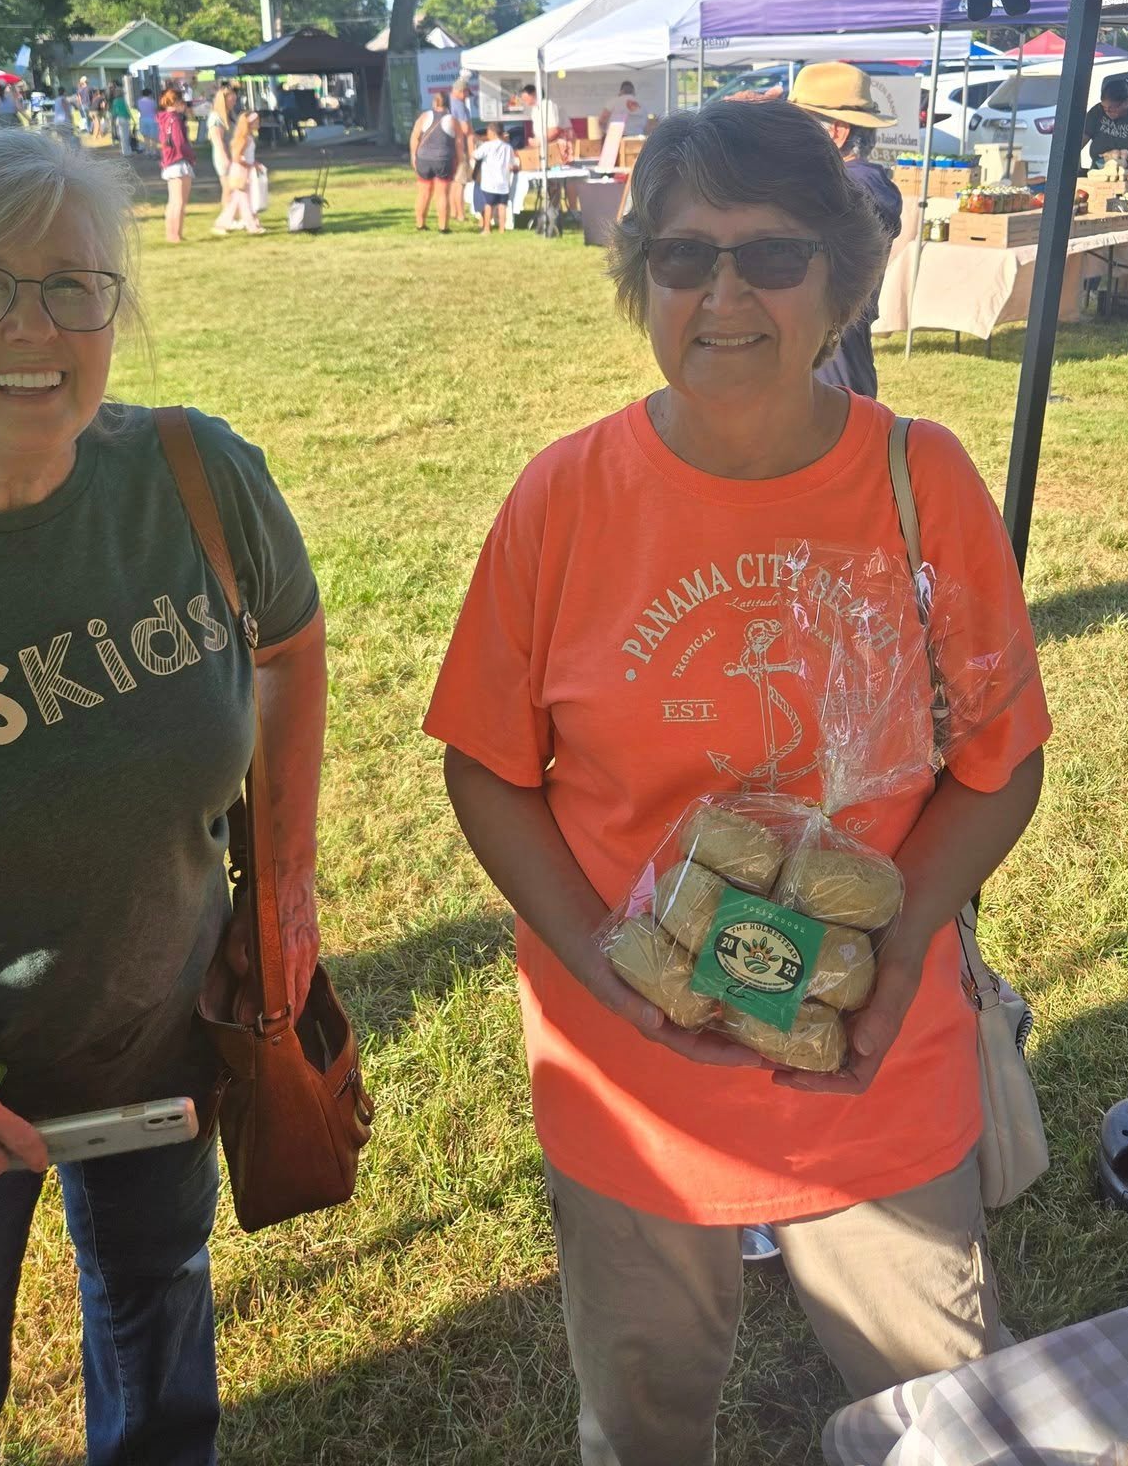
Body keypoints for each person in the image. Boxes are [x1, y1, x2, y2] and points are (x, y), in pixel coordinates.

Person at [427, 98, 1051, 1466]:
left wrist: (896, 959)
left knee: (945, 1416)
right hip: (634, 1076)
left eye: (770, 257)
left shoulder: (920, 480)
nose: (723, 295)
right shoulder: (564, 496)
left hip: (873, 1058)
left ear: (839, 277)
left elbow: (1004, 764)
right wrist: (612, 971)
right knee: (644, 1417)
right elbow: (486, 767)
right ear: (638, 276)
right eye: (681, 257)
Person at [0, 132, 327, 1465]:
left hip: (157, 1028)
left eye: (75, 286)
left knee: (158, 1334)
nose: (35, 327)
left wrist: (277, 892)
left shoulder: (194, 476)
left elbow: (286, 642)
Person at [790, 62, 904, 401]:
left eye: (798, 127)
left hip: (834, 358)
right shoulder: (854, 182)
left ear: (836, 133)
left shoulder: (856, 185)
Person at [410, 91, 466, 234]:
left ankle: (420, 224)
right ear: (448, 103)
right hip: (443, 159)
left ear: (434, 103)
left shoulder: (424, 117)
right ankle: (443, 227)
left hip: (423, 159)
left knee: (423, 193)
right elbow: (459, 144)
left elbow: (415, 137)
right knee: (442, 194)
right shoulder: (452, 120)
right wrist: (460, 162)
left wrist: (413, 156)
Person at [214, 107, 265, 235]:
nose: (258, 124)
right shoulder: (244, 139)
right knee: (245, 200)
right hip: (241, 171)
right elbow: (237, 157)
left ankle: (222, 223)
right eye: (256, 122)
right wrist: (249, 165)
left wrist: (254, 163)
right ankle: (252, 225)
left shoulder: (248, 138)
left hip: (245, 169)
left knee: (238, 200)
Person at [159, 84, 195, 244]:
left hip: (169, 161)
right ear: (178, 102)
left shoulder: (164, 119)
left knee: (172, 201)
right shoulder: (176, 120)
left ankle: (170, 233)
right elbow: (180, 142)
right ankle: (176, 235)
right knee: (180, 202)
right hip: (179, 162)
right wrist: (191, 156)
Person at [476, 118, 520, 234]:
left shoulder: (487, 146)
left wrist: (472, 146)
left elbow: (476, 155)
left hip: (489, 182)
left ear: (492, 132)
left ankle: (486, 228)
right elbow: (512, 163)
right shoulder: (508, 147)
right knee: (502, 206)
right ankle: (502, 229)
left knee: (488, 205)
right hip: (503, 182)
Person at [448, 76, 475, 224]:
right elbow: (465, 129)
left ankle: (453, 211)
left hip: (449, 148)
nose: (466, 98)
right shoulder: (459, 105)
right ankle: (460, 214)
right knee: (460, 182)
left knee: (453, 182)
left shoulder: (448, 103)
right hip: (461, 148)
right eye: (466, 94)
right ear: (460, 91)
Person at [207, 83, 237, 207]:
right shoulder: (216, 117)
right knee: (228, 187)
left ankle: (232, 215)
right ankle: (226, 217)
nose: (234, 102)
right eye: (232, 99)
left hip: (232, 154)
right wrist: (225, 159)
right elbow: (217, 140)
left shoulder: (230, 115)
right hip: (223, 155)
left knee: (233, 187)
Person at [109, 86, 134, 158]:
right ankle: (129, 151)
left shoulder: (115, 101)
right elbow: (127, 110)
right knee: (127, 135)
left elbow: (114, 112)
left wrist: (112, 119)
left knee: (122, 136)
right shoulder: (123, 100)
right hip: (126, 118)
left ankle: (125, 152)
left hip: (120, 118)